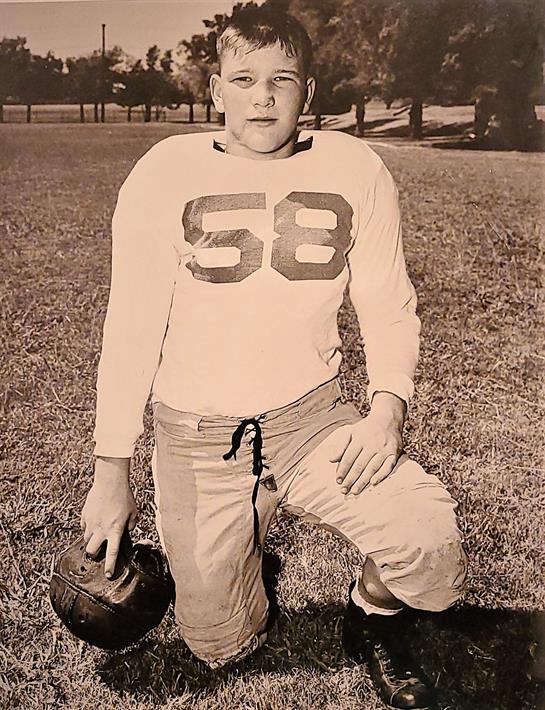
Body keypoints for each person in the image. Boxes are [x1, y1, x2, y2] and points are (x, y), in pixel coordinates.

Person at [81, 8, 467, 709]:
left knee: (429, 548)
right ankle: (239, 551)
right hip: (196, 436)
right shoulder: (165, 170)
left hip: (309, 420)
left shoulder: (355, 165)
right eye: (244, 79)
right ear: (215, 89)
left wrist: (387, 410)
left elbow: (387, 301)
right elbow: (129, 327)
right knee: (219, 644)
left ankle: (372, 612)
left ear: (308, 93)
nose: (262, 96)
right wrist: (113, 472)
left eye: (280, 80)